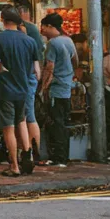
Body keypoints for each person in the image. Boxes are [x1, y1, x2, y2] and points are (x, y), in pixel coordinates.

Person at [0, 6, 41, 176]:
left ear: (3, 20)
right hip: (23, 88)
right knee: (22, 122)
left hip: (5, 89)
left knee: (8, 128)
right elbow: (36, 69)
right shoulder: (30, 41)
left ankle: (14, 166)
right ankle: (27, 154)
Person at [39, 13, 77, 167]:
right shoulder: (69, 41)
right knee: (63, 122)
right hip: (66, 88)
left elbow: (49, 67)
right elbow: (76, 61)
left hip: (56, 89)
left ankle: (58, 157)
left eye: (43, 26)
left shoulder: (53, 43)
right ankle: (64, 156)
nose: (42, 30)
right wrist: (69, 76)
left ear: (49, 26)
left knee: (56, 123)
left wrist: (43, 88)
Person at [11, 0, 44, 165]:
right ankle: (26, 152)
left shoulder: (29, 29)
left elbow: (37, 55)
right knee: (23, 116)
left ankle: (34, 153)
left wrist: (38, 75)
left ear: (22, 11)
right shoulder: (21, 29)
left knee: (28, 115)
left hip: (28, 77)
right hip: (24, 77)